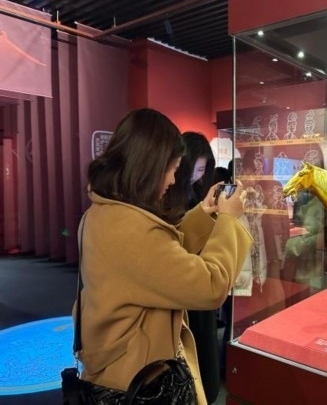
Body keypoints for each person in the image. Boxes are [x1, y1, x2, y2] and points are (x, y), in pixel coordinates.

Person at [78, 108, 252, 405]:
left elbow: (160, 258)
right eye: (172, 168)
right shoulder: (132, 229)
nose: (173, 179)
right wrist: (229, 221)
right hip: (138, 381)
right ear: (149, 167)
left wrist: (203, 215)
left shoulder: (105, 212)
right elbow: (210, 285)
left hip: (116, 368)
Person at [163, 131, 224, 404]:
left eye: (203, 170)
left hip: (198, 280)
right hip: (186, 284)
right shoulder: (162, 201)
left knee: (202, 349)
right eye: (196, 169)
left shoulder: (196, 193)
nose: (199, 176)